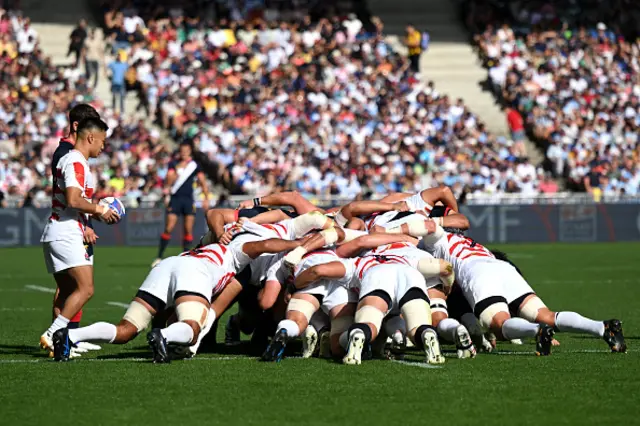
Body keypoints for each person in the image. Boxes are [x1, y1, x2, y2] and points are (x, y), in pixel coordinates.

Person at [54, 235, 304, 362]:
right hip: (194, 273)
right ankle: (163, 336)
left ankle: (70, 336)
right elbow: (264, 245)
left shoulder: (207, 243)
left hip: (168, 265)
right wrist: (299, 243)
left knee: (127, 329)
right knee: (192, 328)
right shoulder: (235, 251)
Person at [39, 117, 119, 357]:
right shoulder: (75, 161)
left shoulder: (71, 160)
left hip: (57, 231)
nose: (103, 147)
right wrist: (100, 209)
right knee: (86, 289)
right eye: (102, 141)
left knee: (66, 292)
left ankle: (61, 345)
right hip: (66, 233)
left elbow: (71, 202)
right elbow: (74, 200)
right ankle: (54, 333)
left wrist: (91, 217)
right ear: (90, 137)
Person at [153, 143, 211, 267]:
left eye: (186, 150)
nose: (184, 152)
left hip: (188, 200)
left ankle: (185, 257)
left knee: (188, 229)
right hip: (175, 199)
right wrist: (171, 180)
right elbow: (168, 181)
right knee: (169, 228)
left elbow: (202, 181)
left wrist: (206, 198)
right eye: (182, 150)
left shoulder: (194, 166)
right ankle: (159, 256)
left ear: (190, 151)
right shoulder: (173, 164)